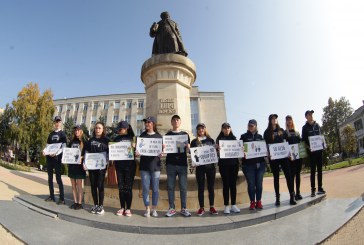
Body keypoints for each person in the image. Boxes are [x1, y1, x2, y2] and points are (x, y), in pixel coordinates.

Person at [263, 114, 296, 206]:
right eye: (273, 119)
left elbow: (286, 142)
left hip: (284, 156)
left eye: (276, 118)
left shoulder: (281, 130)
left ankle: (292, 196)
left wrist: (290, 153)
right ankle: (277, 198)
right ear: (270, 120)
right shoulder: (266, 132)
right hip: (274, 158)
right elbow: (265, 145)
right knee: (276, 177)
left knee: (288, 176)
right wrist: (268, 154)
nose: (274, 120)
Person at [165, 115, 192, 217]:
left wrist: (188, 147)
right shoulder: (167, 135)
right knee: (170, 187)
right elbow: (165, 150)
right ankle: (171, 208)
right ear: (171, 122)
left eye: (177, 120)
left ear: (180, 122)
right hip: (170, 164)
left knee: (183, 187)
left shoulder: (185, 135)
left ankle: (184, 208)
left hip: (182, 164)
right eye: (174, 120)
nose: (176, 121)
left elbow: (188, 151)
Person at [136, 116, 163, 218]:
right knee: (146, 189)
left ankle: (154, 209)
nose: (147, 124)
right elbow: (138, 150)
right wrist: (137, 153)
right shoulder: (142, 136)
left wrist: (162, 153)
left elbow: (161, 151)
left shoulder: (159, 137)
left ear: (153, 124)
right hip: (144, 167)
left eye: (149, 122)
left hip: (155, 166)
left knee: (155, 189)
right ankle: (147, 208)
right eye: (146, 122)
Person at [191, 123, 218, 216]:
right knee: (201, 188)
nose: (201, 130)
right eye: (199, 129)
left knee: (211, 187)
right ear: (197, 131)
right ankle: (201, 208)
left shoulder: (211, 140)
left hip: (210, 167)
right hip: (200, 168)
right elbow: (192, 154)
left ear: (205, 129)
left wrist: (217, 148)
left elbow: (214, 152)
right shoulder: (194, 141)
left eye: (202, 128)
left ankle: (212, 206)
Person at [83, 122, 110, 215]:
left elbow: (109, 153)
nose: (97, 130)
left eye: (99, 128)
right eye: (96, 128)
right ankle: (95, 204)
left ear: (103, 130)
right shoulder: (90, 140)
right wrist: (84, 163)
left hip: (101, 168)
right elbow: (86, 152)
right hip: (92, 167)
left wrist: (106, 161)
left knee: (100, 185)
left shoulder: (106, 140)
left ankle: (101, 206)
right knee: (93, 186)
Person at [240, 119, 266, 210]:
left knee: (259, 184)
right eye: (249, 125)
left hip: (260, 164)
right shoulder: (243, 136)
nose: (250, 126)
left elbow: (264, 150)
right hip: (248, 165)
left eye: (252, 125)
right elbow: (239, 149)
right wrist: (241, 149)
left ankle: (258, 201)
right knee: (251, 184)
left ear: (255, 126)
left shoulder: (260, 136)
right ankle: (252, 202)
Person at [113, 121, 136, 217]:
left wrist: (135, 148)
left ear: (126, 128)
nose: (119, 130)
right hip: (119, 166)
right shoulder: (116, 139)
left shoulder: (133, 138)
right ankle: (122, 207)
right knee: (121, 187)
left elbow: (139, 150)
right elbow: (113, 151)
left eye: (120, 129)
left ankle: (128, 209)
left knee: (128, 187)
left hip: (130, 166)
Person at [216, 122, 240, 214]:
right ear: (222, 129)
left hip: (234, 165)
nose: (227, 129)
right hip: (224, 165)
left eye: (228, 128)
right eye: (225, 128)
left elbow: (238, 151)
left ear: (230, 129)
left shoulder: (234, 139)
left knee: (233, 185)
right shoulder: (219, 139)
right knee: (226, 185)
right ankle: (226, 205)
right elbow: (217, 153)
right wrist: (217, 149)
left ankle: (233, 204)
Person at [302, 110, 326, 197]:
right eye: (309, 114)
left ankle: (320, 187)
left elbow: (321, 137)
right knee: (313, 171)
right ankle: (313, 189)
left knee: (320, 170)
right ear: (306, 117)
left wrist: (323, 145)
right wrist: (309, 148)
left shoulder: (317, 125)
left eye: (311, 114)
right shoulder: (304, 128)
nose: (311, 115)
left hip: (319, 151)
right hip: (312, 153)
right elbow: (304, 141)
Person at [43, 116, 67, 204]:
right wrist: (44, 151)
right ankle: (52, 196)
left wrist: (56, 153)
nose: (57, 123)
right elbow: (47, 146)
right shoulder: (51, 134)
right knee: (50, 178)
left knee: (58, 178)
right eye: (56, 122)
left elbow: (63, 147)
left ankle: (62, 199)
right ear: (54, 123)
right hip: (49, 158)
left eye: (59, 122)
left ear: (61, 123)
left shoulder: (62, 134)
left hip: (57, 159)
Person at [67, 125, 87, 210]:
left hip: (79, 167)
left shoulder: (84, 142)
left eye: (78, 130)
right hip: (72, 166)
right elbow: (68, 152)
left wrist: (82, 157)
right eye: (75, 130)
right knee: (73, 185)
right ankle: (75, 202)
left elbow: (87, 154)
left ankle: (79, 203)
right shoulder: (72, 142)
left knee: (79, 185)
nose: (76, 132)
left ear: (81, 131)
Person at [284, 115, 303, 200]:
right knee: (291, 176)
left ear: (292, 121)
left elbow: (300, 144)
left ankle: (298, 193)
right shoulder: (285, 133)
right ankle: (292, 193)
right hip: (290, 159)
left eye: (290, 119)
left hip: (298, 157)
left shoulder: (297, 132)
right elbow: (284, 146)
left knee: (298, 175)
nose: (289, 121)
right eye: (287, 120)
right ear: (286, 122)